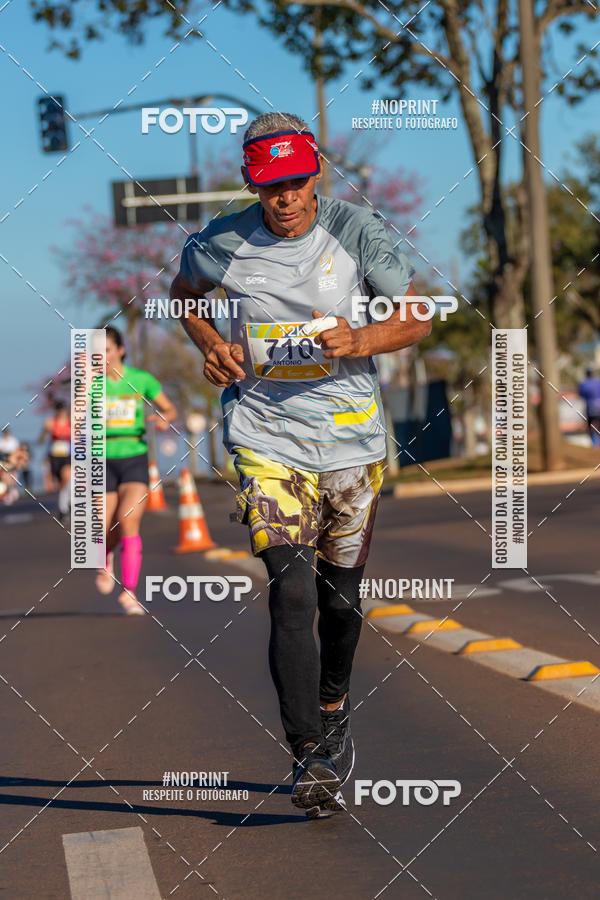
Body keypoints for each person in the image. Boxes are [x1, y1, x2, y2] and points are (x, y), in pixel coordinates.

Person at [171, 111, 431, 817]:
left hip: (351, 440)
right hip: (266, 435)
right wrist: (207, 342)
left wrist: (364, 336)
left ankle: (334, 702)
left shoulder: (356, 231)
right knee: (290, 590)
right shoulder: (220, 240)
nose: (284, 198)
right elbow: (184, 298)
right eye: (269, 186)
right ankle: (309, 754)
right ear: (252, 183)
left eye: (294, 182)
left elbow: (419, 317)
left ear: (314, 173)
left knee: (340, 601)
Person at [94, 326, 177, 615]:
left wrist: (164, 418)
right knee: (104, 527)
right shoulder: (91, 385)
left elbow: (170, 409)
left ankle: (129, 592)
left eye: (105, 350)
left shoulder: (141, 380)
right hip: (101, 459)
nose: (101, 357)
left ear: (119, 350)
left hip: (134, 457)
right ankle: (104, 560)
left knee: (127, 520)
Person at [39, 401, 72, 522]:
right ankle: (63, 509)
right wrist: (45, 430)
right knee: (61, 483)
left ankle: (69, 504)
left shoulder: (71, 422)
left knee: (68, 476)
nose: (61, 413)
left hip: (68, 455)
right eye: (59, 410)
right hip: (55, 456)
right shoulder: (51, 422)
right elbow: (41, 440)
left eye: (63, 410)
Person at [578, 367, 600, 447]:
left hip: (590, 409)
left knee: (591, 428)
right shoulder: (598, 382)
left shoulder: (583, 384)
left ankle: (595, 444)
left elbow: (581, 394)